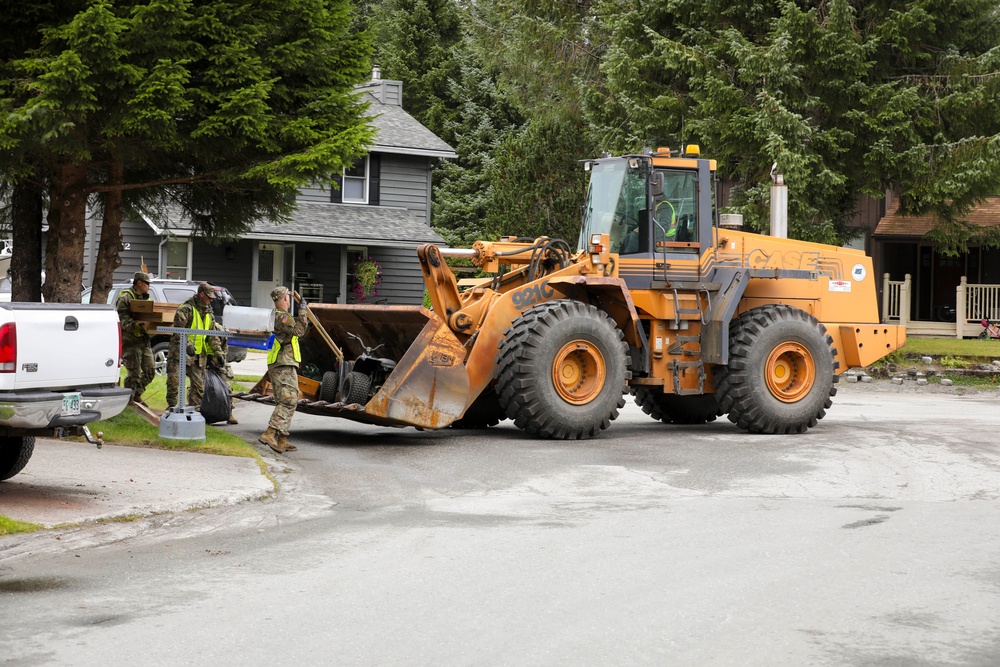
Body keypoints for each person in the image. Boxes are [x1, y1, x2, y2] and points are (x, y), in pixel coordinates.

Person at [259, 286, 310, 454]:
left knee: (289, 398)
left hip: (286, 362)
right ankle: (270, 433)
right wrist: (303, 312)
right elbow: (299, 331)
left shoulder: (281, 316)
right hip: (282, 363)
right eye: (287, 297)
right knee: (288, 399)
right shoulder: (282, 317)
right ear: (285, 299)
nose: (289, 300)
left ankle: (281, 438)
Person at [166, 282, 225, 409]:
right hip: (179, 352)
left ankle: (194, 409)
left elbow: (212, 335)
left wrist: (218, 353)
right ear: (201, 294)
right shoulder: (186, 309)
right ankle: (171, 407)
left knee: (198, 385)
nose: (210, 300)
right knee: (173, 382)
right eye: (209, 297)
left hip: (198, 355)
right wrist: (187, 344)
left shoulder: (209, 313)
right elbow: (178, 330)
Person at [117, 271, 155, 404]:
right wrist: (136, 325)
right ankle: (129, 399)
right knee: (134, 373)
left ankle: (137, 393)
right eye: (147, 283)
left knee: (150, 371)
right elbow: (121, 319)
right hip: (131, 343)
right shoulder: (126, 298)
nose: (149, 286)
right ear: (139, 283)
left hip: (144, 342)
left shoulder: (146, 299)